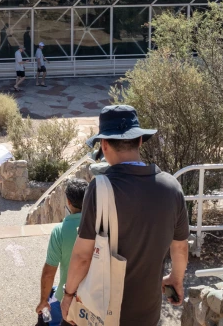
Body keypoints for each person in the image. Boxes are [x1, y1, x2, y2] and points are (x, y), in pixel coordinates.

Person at [61, 105, 188, 326]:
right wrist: (176, 278)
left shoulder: (100, 188)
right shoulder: (172, 187)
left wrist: (68, 295)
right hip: (149, 314)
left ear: (104, 144)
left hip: (106, 313)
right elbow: (180, 247)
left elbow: (83, 256)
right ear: (139, 141)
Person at [36, 178, 87, 325]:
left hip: (69, 297)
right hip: (96, 296)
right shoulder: (100, 226)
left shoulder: (60, 231)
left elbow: (49, 272)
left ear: (68, 202)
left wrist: (43, 301)